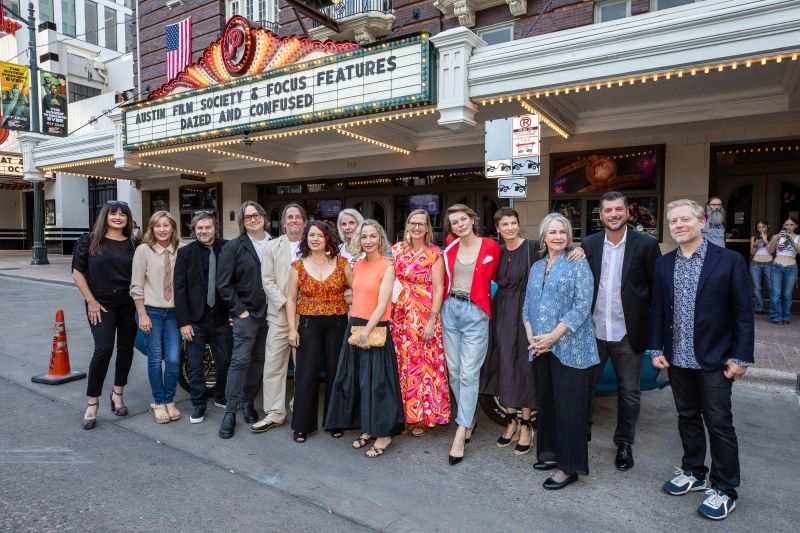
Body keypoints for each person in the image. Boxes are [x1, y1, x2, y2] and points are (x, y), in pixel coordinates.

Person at [650, 199, 753, 520]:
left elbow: (743, 313)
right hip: (677, 358)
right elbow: (657, 311)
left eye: (685, 219)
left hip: (716, 358)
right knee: (687, 418)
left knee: (720, 425)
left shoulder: (730, 260)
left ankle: (724, 488)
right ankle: (694, 471)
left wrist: (741, 357)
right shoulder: (664, 263)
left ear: (702, 221)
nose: (679, 225)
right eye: (673, 222)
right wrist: (656, 349)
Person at [481, 207, 584, 456]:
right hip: (502, 310)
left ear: (519, 224)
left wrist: (576, 249)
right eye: (504, 224)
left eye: (513, 223)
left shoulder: (531, 247)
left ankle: (527, 425)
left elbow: (556, 249)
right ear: (497, 228)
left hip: (526, 310)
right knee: (504, 363)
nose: (509, 228)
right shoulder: (498, 251)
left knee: (524, 364)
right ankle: (511, 420)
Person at [583, 191, 662, 471]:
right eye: (607, 210)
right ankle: (582, 434)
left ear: (627, 212)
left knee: (629, 391)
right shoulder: (588, 243)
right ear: (600, 215)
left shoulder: (647, 245)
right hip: (592, 331)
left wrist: (655, 332)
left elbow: (657, 290)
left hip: (628, 332)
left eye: (618, 209)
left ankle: (625, 442)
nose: (613, 214)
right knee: (586, 387)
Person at [523, 213, 599, 490]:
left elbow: (582, 305)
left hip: (570, 346)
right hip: (541, 347)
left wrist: (552, 337)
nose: (558, 237)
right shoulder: (536, 266)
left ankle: (570, 467)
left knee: (570, 408)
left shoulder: (577, 263)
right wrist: (532, 336)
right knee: (550, 403)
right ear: (543, 236)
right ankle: (552, 454)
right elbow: (527, 305)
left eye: (563, 232)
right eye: (552, 232)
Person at [325, 220, 404, 458]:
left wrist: (366, 332)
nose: (368, 241)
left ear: (380, 238)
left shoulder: (388, 266)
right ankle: (368, 429)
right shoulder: (356, 265)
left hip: (374, 328)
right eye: (364, 236)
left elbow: (382, 305)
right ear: (358, 240)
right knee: (359, 383)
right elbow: (354, 295)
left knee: (377, 385)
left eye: (373, 236)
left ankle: (384, 435)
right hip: (355, 325)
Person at [441, 204, 500, 465]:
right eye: (454, 222)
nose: (460, 224)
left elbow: (506, 273)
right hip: (449, 310)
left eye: (463, 219)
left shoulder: (491, 247)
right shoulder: (449, 249)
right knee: (454, 371)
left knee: (468, 373)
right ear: (451, 228)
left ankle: (461, 429)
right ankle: (470, 418)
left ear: (472, 220)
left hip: (475, 313)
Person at [72, 200, 138, 430]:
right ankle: (92, 403)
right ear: (105, 217)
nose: (118, 217)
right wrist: (91, 300)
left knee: (126, 348)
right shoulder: (89, 240)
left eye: (123, 214)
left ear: (128, 219)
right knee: (103, 349)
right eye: (114, 214)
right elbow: (77, 273)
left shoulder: (134, 243)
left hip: (129, 302)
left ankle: (117, 393)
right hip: (100, 302)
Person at [286, 221, 352, 442]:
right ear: (306, 239)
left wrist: (348, 300)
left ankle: (337, 421)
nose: (315, 239)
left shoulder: (342, 263)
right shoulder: (297, 266)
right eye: (311, 235)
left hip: (338, 322)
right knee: (306, 375)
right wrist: (292, 329)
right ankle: (302, 425)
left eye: (320, 235)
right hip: (308, 324)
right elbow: (291, 299)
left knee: (336, 373)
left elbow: (358, 290)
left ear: (328, 239)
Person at [391, 209, 449, 438]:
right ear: (407, 225)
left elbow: (438, 288)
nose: (416, 227)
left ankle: (422, 416)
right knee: (401, 363)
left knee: (423, 365)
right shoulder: (395, 251)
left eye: (421, 224)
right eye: (413, 223)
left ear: (427, 228)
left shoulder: (435, 254)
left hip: (424, 315)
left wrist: (432, 321)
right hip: (399, 316)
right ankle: (404, 413)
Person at [216, 201, 271, 439]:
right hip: (247, 315)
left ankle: (249, 402)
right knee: (239, 361)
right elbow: (223, 283)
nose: (252, 219)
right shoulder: (234, 247)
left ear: (264, 217)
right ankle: (230, 412)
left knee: (258, 359)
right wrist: (240, 311)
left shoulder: (276, 244)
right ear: (242, 222)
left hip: (272, 314)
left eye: (256, 215)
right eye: (247, 217)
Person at [252, 203, 307, 434]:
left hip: (307, 315)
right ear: (284, 222)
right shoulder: (273, 246)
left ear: (305, 221)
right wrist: (287, 304)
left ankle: (301, 408)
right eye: (289, 217)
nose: (293, 220)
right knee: (273, 365)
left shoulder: (314, 243)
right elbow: (268, 281)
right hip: (279, 316)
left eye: (298, 217)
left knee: (304, 366)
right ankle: (274, 413)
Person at [173, 212, 231, 424]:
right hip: (195, 319)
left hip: (222, 316)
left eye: (208, 227)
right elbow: (179, 290)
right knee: (195, 364)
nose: (204, 231)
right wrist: (184, 322)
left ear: (215, 227)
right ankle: (198, 403)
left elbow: (236, 281)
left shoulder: (228, 248)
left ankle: (220, 395)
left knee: (225, 360)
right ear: (194, 229)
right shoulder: (185, 253)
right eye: (199, 228)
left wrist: (235, 311)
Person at [131, 211, 185, 424]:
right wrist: (142, 315)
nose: (162, 229)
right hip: (151, 310)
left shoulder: (182, 250)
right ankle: (159, 401)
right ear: (152, 229)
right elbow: (136, 285)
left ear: (173, 227)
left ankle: (169, 400)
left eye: (166, 225)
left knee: (173, 359)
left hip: (173, 313)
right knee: (155, 359)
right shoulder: (144, 250)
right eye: (157, 225)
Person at [767, 216, 799, 325]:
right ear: (783, 226)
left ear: (796, 226)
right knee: (775, 293)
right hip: (777, 266)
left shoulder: (798, 237)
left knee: (787, 294)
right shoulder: (777, 236)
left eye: (791, 225)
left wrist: (790, 239)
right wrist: (776, 239)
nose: (789, 227)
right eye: (786, 225)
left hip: (791, 267)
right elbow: (771, 250)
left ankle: (786, 316)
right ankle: (776, 316)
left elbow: (799, 251)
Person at [749, 219, 773, 316]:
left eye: (763, 227)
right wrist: (755, 244)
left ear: (768, 226)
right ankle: (759, 307)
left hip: (769, 263)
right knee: (757, 288)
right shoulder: (754, 237)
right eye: (759, 227)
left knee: (771, 287)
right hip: (756, 263)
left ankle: (773, 308)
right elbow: (752, 252)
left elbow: (771, 251)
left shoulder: (773, 237)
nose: (761, 229)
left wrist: (765, 240)